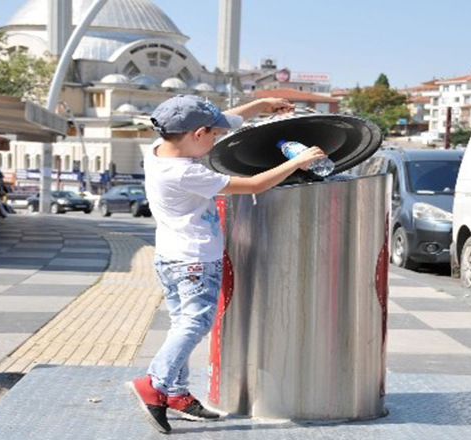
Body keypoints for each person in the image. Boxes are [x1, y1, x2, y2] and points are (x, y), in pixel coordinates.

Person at [127, 95, 325, 434]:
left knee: (180, 323)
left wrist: (262, 103)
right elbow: (255, 185)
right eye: (214, 135)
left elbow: (223, 119)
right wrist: (298, 161)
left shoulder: (160, 149)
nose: (217, 139)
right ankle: (155, 383)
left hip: (169, 256)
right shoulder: (185, 172)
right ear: (199, 133)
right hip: (196, 259)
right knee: (195, 324)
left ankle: (175, 393)